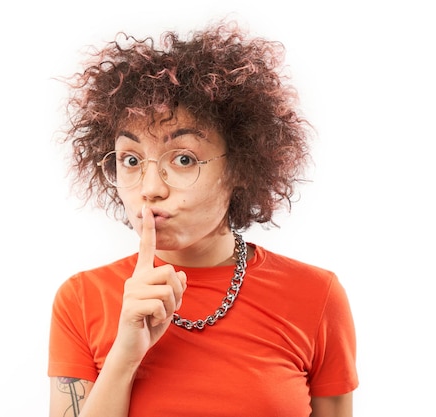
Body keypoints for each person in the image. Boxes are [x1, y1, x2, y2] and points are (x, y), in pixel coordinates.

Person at [47, 19, 358, 417]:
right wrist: (124, 357)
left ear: (241, 167)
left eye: (183, 158)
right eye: (131, 159)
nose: (150, 187)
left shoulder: (317, 297)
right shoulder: (82, 299)